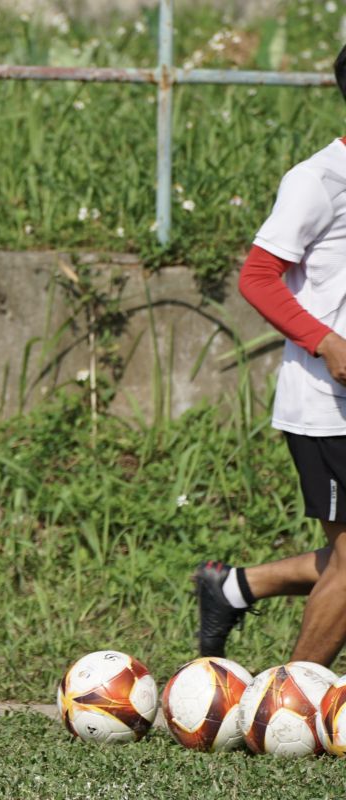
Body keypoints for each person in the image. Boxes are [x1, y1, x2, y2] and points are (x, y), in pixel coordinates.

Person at [195, 45, 346, 667]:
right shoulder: (317, 181)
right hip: (330, 405)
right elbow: (258, 276)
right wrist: (328, 342)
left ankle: (235, 586)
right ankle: (290, 701)